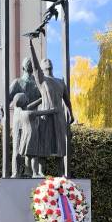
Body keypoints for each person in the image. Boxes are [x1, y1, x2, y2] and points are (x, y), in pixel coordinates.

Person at [28, 39, 74, 176]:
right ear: (41, 68)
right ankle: (41, 172)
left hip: (59, 115)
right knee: (44, 144)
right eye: (44, 61)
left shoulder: (60, 82)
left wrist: (71, 114)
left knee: (60, 145)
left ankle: (62, 173)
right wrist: (31, 47)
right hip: (45, 115)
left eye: (49, 60)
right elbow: (35, 66)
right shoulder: (42, 80)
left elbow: (67, 100)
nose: (47, 60)